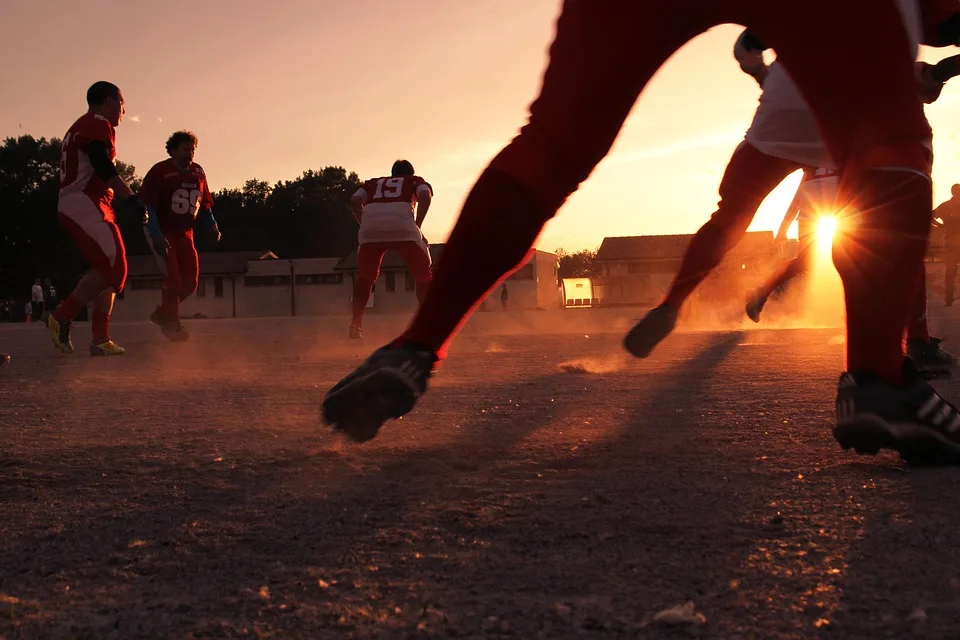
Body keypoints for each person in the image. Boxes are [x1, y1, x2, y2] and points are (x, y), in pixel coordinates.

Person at [323, 0, 960, 459]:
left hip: (769, 119)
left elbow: (746, 50)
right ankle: (882, 376)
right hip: (825, 108)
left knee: (550, 149)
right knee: (891, 152)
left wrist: (765, 57)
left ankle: (413, 348)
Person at [46, 81, 163, 356]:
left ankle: (100, 338)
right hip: (83, 202)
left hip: (90, 202)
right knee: (114, 266)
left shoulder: (86, 125)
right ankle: (62, 315)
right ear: (109, 101)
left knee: (108, 272)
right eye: (122, 103)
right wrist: (130, 197)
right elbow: (101, 162)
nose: (124, 110)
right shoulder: (97, 122)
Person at [139, 130, 219, 342]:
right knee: (173, 279)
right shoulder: (160, 171)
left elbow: (204, 204)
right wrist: (156, 234)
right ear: (173, 150)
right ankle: (172, 324)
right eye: (185, 149)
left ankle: (163, 313)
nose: (190, 153)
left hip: (186, 233)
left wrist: (212, 225)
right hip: (163, 229)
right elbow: (149, 207)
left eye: (192, 149)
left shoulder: (198, 172)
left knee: (191, 283)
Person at [348, 159, 433, 339]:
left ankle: (355, 324)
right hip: (404, 227)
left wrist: (365, 225)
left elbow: (355, 200)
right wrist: (417, 226)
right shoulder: (414, 181)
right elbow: (425, 196)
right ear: (409, 173)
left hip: (370, 230)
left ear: (392, 174)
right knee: (423, 274)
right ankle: (428, 323)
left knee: (365, 278)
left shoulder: (372, 183)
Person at [934, 184, 960, 305]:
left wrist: (940, 226)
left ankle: (949, 299)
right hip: (952, 244)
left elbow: (931, 215)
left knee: (950, 272)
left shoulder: (945, 206)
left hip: (950, 243)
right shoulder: (946, 206)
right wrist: (940, 226)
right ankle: (949, 299)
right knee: (950, 272)